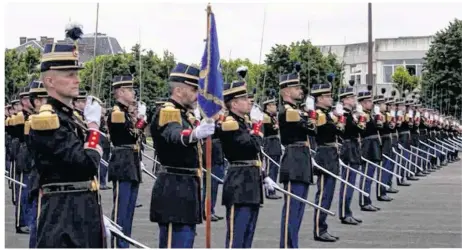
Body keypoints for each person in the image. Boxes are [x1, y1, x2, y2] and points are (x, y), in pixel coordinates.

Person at [29, 40, 107, 247]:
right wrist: (93, 127)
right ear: (50, 81)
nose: (77, 80)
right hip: (64, 214)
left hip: (82, 211)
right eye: (70, 74)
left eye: (77, 73)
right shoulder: (48, 120)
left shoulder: (70, 116)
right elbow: (86, 163)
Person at [149, 63, 214, 248]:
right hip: (174, 191)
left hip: (186, 191)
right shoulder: (168, 111)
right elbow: (173, 134)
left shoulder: (185, 114)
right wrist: (194, 134)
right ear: (178, 90)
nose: (197, 95)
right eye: (194, 89)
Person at [107, 75, 146, 248]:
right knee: (121, 209)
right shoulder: (117, 113)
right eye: (130, 90)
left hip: (131, 161)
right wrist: (141, 123)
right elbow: (130, 135)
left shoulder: (124, 112)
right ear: (121, 92)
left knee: (129, 209)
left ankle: (125, 242)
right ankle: (118, 244)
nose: (133, 93)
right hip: (123, 162)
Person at [278, 72, 316, 248]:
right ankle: (287, 246)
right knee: (292, 210)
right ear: (285, 91)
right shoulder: (287, 111)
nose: (300, 90)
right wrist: (310, 114)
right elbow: (308, 127)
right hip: (294, 159)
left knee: (299, 209)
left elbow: (312, 130)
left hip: (302, 158)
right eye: (295, 88)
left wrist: (308, 113)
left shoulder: (298, 111)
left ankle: (293, 245)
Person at [312, 79, 345, 242]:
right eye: (327, 96)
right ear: (319, 99)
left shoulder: (326, 114)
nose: (331, 98)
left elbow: (340, 131)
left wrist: (339, 118)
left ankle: (322, 227)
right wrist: (338, 119)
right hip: (324, 155)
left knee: (329, 193)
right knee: (324, 194)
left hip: (331, 154)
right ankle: (319, 229)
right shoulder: (320, 115)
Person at [337, 84, 365, 225]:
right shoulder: (343, 115)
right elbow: (347, 131)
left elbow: (360, 130)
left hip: (353, 147)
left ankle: (348, 212)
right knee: (347, 182)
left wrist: (360, 117)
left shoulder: (351, 115)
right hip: (348, 148)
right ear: (345, 100)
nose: (355, 100)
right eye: (352, 97)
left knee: (351, 182)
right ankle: (344, 212)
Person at [26, 80, 49, 247]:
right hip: (41, 177)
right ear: (38, 101)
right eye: (46, 99)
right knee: (39, 224)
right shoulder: (34, 121)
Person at [358, 90, 383, 212]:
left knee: (370, 175)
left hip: (373, 145)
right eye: (369, 101)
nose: (371, 103)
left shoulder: (370, 114)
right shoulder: (361, 115)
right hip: (367, 145)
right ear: (363, 102)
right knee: (366, 175)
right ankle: (364, 201)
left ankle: (367, 200)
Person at [14, 86, 33, 234]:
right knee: (23, 189)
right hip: (24, 152)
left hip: (32, 153)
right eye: (26, 98)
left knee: (31, 189)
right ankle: (21, 222)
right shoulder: (20, 116)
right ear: (22, 101)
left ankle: (30, 220)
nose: (29, 101)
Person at [261, 92, 282, 200]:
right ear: (268, 106)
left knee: (274, 168)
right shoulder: (265, 117)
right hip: (269, 144)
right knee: (270, 168)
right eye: (273, 105)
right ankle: (269, 191)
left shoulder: (272, 116)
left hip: (275, 144)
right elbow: (269, 130)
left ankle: (272, 189)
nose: (275, 106)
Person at [376, 94, 395, 202]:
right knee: (383, 168)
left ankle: (386, 186)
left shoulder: (386, 115)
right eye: (384, 104)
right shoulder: (378, 115)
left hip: (388, 141)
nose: (386, 106)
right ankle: (381, 191)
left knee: (387, 166)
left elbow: (390, 128)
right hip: (382, 142)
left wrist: (391, 124)